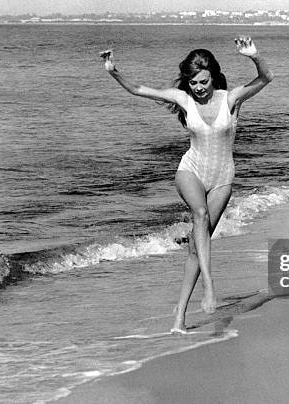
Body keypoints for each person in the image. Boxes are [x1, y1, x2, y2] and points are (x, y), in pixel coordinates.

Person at [101, 37, 273, 334]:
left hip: (222, 179)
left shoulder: (231, 99)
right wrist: (114, 71)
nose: (199, 88)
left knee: (196, 247)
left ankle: (179, 313)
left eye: (203, 81)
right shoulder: (184, 100)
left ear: (213, 76)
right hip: (190, 170)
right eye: (193, 82)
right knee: (201, 216)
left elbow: (266, 77)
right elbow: (139, 90)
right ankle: (209, 286)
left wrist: (254, 56)